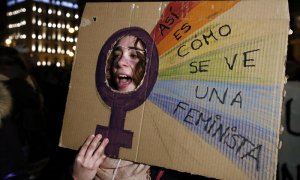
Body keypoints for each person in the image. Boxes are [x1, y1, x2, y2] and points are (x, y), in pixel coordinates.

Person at [72, 35, 151, 180]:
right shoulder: (80, 134)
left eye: (134, 55)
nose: (120, 62)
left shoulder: (163, 151)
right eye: (116, 55)